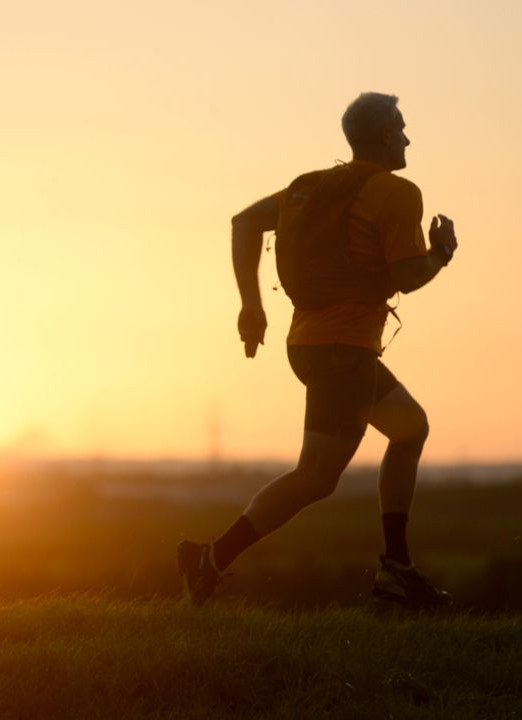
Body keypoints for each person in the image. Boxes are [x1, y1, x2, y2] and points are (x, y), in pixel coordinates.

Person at [178, 92, 458, 608]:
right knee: (316, 477)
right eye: (401, 128)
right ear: (381, 137)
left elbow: (243, 223)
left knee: (410, 427)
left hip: (311, 346)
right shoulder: (397, 193)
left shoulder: (311, 188)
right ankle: (210, 557)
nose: (408, 138)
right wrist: (441, 252)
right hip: (342, 355)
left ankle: (397, 568)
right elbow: (406, 276)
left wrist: (251, 307)